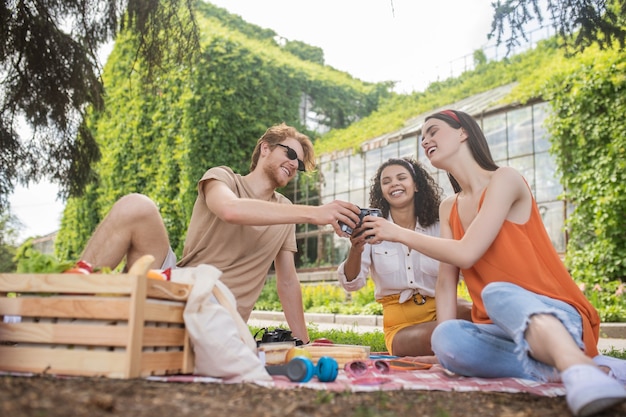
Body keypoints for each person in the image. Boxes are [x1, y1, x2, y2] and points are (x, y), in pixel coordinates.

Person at [359, 110, 626, 416]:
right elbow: (446, 281)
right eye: (423, 137)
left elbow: (467, 252)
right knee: (446, 338)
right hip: (500, 327)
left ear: (463, 133)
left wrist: (397, 234)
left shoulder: (505, 179)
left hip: (558, 315)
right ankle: (579, 367)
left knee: (497, 293)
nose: (426, 140)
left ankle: (578, 368)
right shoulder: (450, 207)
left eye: (433, 131)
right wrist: (442, 352)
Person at [76, 123, 361, 344]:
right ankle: (69, 310)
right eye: (289, 153)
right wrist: (315, 213)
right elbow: (231, 210)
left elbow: (287, 282)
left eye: (298, 163)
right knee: (136, 206)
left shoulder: (285, 211)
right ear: (265, 148)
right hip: (180, 287)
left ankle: (115, 324)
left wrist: (304, 344)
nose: (294, 164)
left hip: (222, 316)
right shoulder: (222, 178)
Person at [337, 157, 472, 356]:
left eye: (402, 178)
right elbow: (351, 284)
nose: (394, 184)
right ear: (381, 190)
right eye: (386, 181)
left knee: (483, 316)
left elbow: (460, 266)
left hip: (442, 305)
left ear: (416, 185)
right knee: (444, 335)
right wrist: (356, 250)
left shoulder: (438, 225)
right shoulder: (372, 227)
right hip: (401, 324)